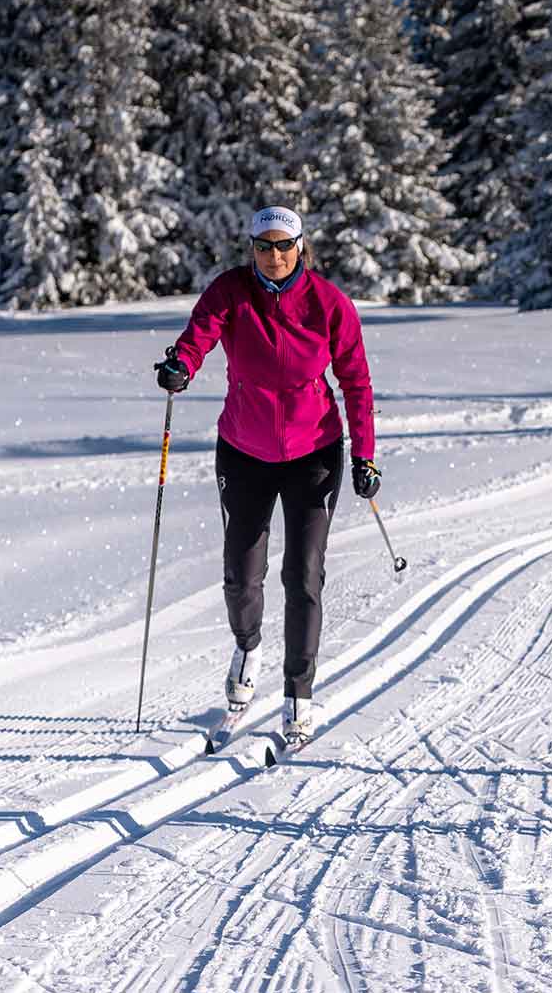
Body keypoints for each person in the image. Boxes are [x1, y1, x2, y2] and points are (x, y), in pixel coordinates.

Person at [154, 205, 378, 748]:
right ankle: (247, 645)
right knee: (241, 575)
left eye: (284, 246)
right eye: (263, 247)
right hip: (244, 451)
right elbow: (200, 334)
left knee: (303, 577)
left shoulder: (329, 304)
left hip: (314, 455)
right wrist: (182, 364)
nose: (274, 256)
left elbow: (356, 383)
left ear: (302, 246)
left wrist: (365, 455)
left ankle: (298, 695)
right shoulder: (230, 291)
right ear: (250, 248)